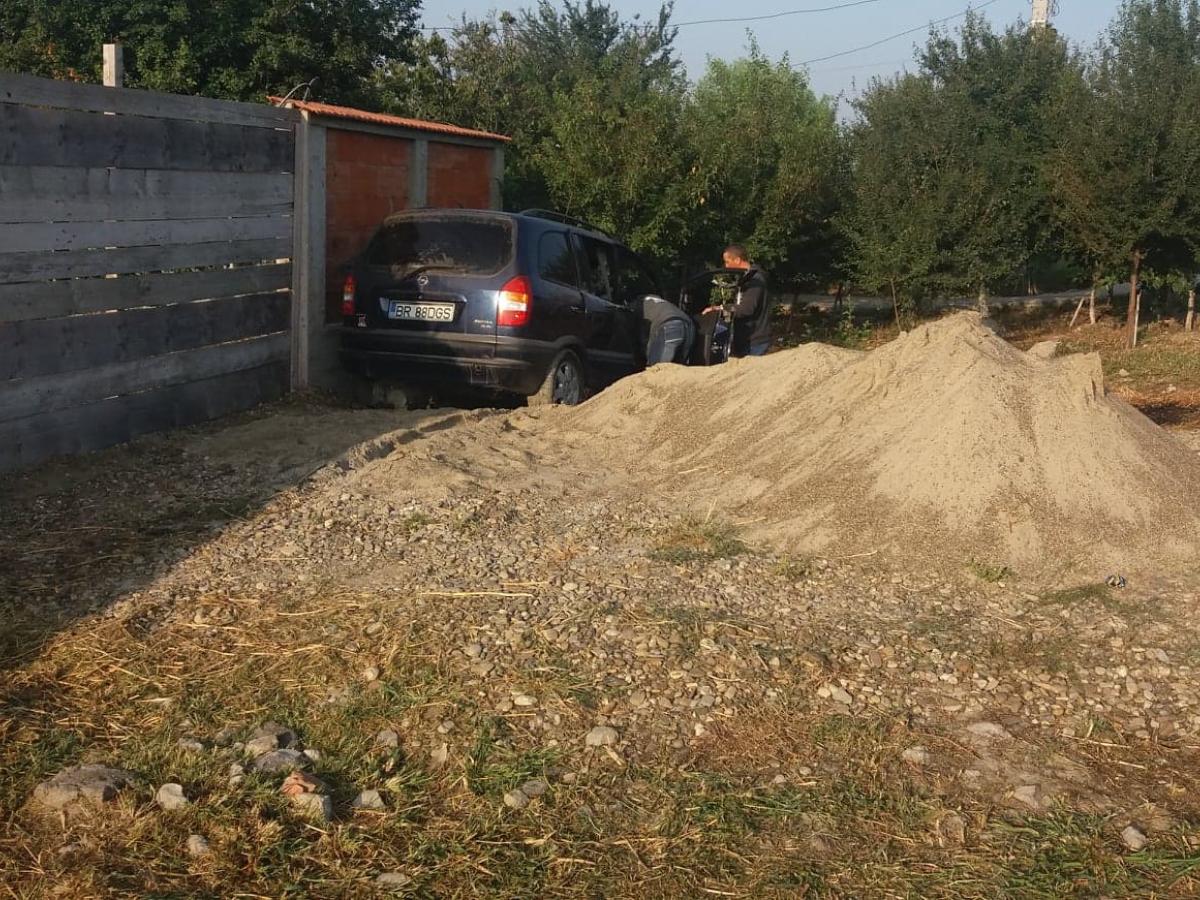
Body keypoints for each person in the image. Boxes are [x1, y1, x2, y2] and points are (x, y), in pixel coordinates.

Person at [720, 244, 771, 358]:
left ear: (737, 260)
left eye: (727, 262)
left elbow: (746, 309)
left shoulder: (755, 280)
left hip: (755, 341)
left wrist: (721, 309)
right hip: (745, 340)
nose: (726, 266)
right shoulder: (745, 279)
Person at [642, 294, 694, 366]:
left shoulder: (639, 305)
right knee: (680, 366)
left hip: (668, 325)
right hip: (689, 325)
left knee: (657, 367)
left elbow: (643, 336)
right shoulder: (661, 303)